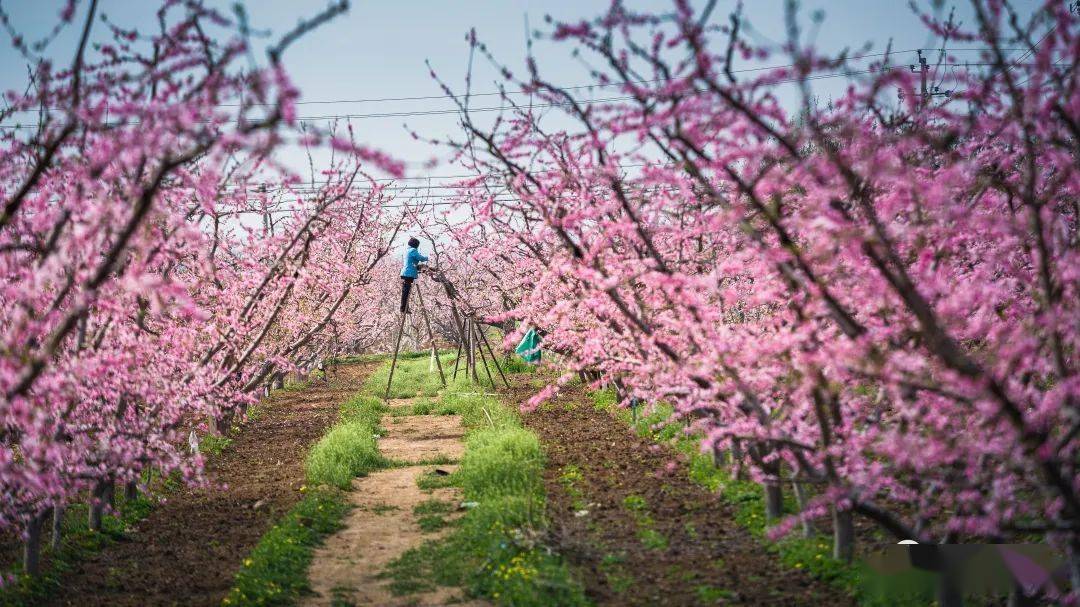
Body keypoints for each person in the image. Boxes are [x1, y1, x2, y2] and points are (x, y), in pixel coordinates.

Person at [400, 237, 428, 313]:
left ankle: (404, 307)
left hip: (406, 272)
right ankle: (403, 308)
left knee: (406, 291)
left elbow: (414, 260)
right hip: (409, 273)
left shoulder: (407, 250)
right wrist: (427, 258)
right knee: (406, 291)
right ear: (416, 245)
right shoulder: (413, 250)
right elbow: (420, 258)